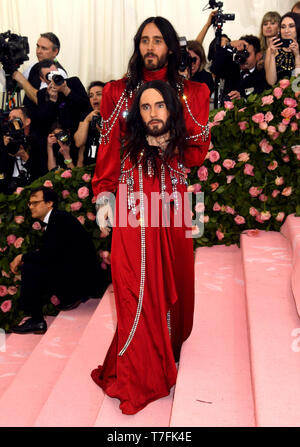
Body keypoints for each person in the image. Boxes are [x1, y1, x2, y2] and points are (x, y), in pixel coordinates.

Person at [91, 80, 206, 415]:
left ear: (171, 108)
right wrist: (104, 205)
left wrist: (172, 142)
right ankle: (137, 373)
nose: (153, 114)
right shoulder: (125, 145)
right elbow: (106, 176)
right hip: (133, 235)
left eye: (159, 105)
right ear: (136, 113)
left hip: (172, 231)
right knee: (134, 297)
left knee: (171, 294)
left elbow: (200, 142)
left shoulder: (182, 148)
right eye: (145, 107)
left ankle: (163, 352)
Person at [92, 16, 210, 200]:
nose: (149, 47)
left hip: (173, 194)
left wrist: (169, 144)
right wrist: (104, 194)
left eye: (157, 41)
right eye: (144, 41)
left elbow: (196, 153)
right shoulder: (116, 91)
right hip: (131, 194)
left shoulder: (192, 93)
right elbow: (109, 148)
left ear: (170, 48)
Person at [9, 186, 107, 335]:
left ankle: (37, 320)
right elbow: (54, 254)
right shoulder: (57, 218)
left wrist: (21, 257)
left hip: (82, 279)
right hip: (76, 274)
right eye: (30, 203)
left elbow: (49, 255)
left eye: (35, 203)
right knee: (34, 264)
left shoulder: (59, 219)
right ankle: (65, 300)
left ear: (49, 203)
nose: (31, 207)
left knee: (29, 266)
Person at [35, 59, 90, 163]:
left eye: (55, 73)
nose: (53, 78)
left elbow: (86, 107)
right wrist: (52, 100)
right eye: (48, 76)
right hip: (56, 144)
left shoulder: (73, 82)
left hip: (78, 139)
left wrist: (66, 90)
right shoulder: (42, 94)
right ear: (42, 79)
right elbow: (43, 123)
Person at [11, 32, 67, 128]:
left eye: (44, 48)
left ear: (55, 52)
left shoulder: (59, 73)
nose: (38, 51)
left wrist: (22, 80)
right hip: (28, 126)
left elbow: (41, 101)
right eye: (38, 47)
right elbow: (15, 85)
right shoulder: (33, 67)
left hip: (45, 128)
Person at [210, 34, 270, 103]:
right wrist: (228, 45)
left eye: (246, 54)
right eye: (240, 53)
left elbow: (261, 96)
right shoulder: (232, 68)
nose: (242, 58)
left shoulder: (263, 75)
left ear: (258, 56)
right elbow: (214, 69)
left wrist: (242, 98)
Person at [0, 107, 47, 194]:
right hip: (7, 191)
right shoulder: (5, 141)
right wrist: (5, 149)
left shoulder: (38, 142)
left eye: (15, 118)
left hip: (31, 190)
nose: (11, 121)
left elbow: (42, 174)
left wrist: (24, 156)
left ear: (27, 121)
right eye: (9, 118)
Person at [74, 81, 106, 167]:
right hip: (89, 164)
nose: (94, 98)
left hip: (107, 164)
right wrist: (87, 120)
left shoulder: (114, 115)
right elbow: (79, 143)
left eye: (99, 94)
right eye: (91, 96)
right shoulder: (87, 115)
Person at [265, 12, 300, 85]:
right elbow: (271, 82)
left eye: (291, 26)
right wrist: (272, 54)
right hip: (277, 94)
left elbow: (298, 83)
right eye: (283, 27)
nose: (286, 30)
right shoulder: (272, 49)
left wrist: (297, 56)